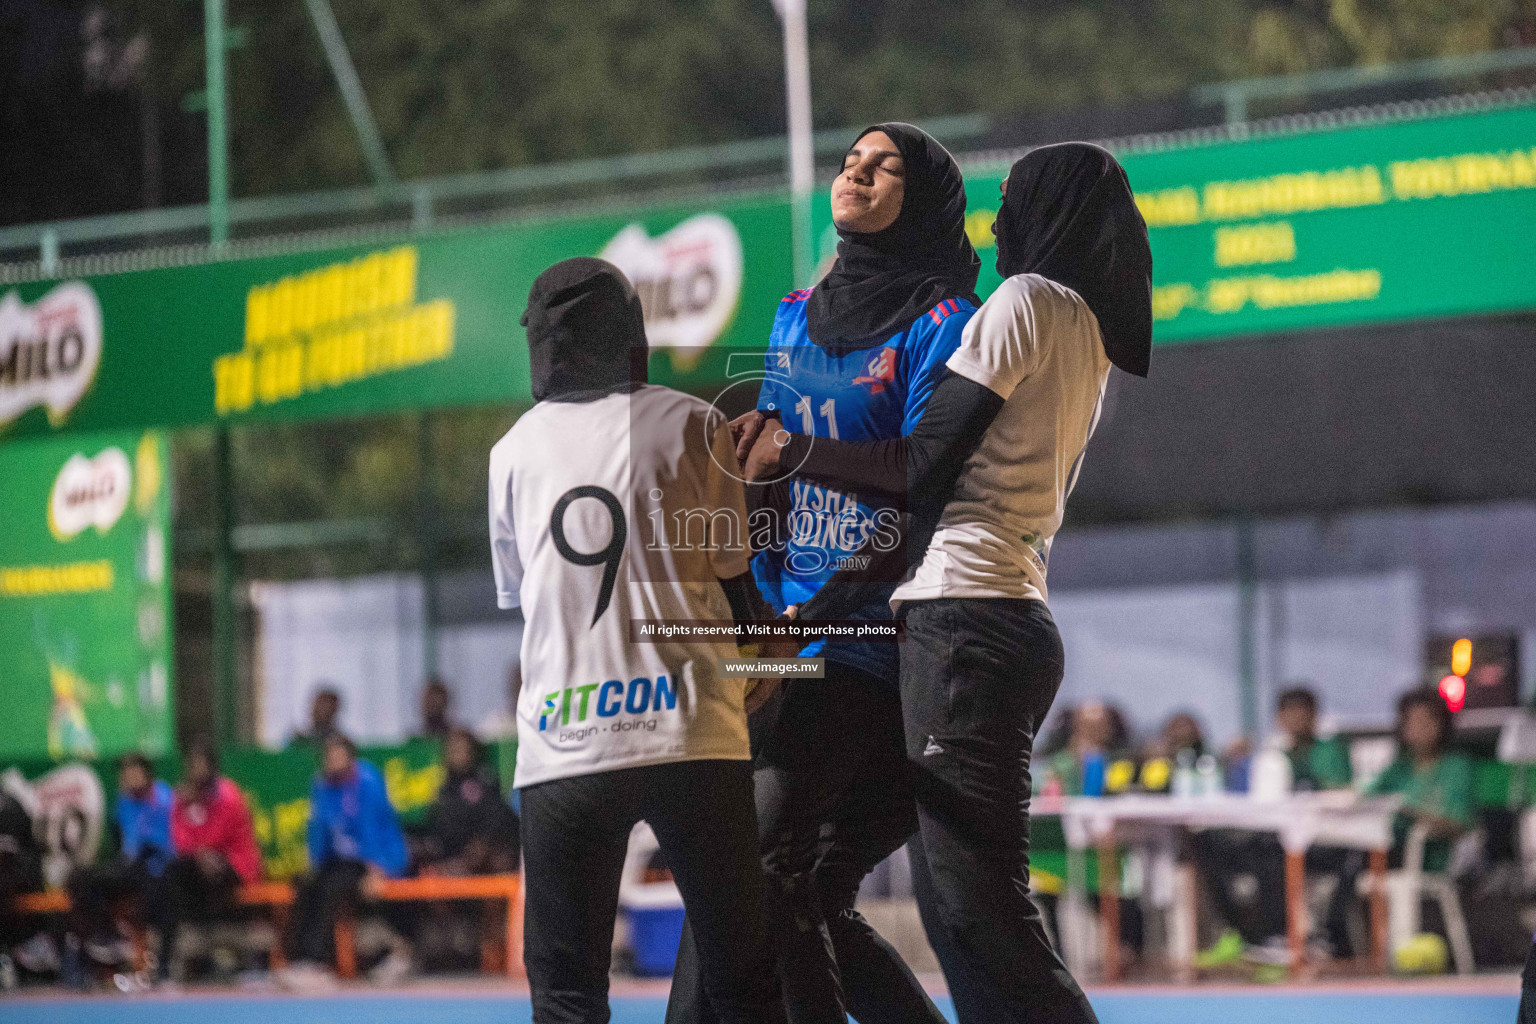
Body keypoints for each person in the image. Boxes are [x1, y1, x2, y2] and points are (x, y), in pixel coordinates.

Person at [748, 141, 1156, 1024]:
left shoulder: (1025, 302)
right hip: (990, 615)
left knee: (976, 909)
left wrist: (798, 451)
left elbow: (923, 467)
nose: (996, 220)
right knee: (832, 882)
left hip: (965, 618)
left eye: (1011, 201)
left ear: (1048, 211)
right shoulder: (1081, 324)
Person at [670, 122, 977, 1024]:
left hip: (874, 636)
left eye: (884, 167)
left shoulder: (944, 323)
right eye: (851, 162)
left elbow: (921, 485)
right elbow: (765, 467)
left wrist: (813, 613)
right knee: (786, 883)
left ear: (918, 198)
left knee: (763, 862)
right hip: (786, 628)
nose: (859, 175)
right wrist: (754, 600)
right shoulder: (794, 314)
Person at [490, 256, 788, 1024]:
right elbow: (733, 579)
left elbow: (529, 598)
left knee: (567, 993)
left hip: (565, 743)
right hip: (692, 731)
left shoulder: (512, 452)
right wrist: (766, 665)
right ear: (632, 334)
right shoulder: (694, 422)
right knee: (744, 980)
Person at [1195, 687, 1357, 967]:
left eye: (1302, 713)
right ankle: (1243, 934)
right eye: (1288, 713)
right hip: (1277, 835)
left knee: (1271, 851)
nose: (1295, 720)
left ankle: (1279, 935)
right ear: (1279, 718)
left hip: (1326, 842)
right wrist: (1233, 761)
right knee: (1207, 843)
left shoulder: (1330, 750)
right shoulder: (1272, 755)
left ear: (1314, 716)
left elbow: (1340, 793)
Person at [284, 732, 409, 975]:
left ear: (350, 758)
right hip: (338, 861)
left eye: (337, 756)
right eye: (328, 757)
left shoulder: (367, 781)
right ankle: (297, 960)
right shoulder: (322, 785)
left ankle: (317, 962)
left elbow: (371, 828)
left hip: (376, 860)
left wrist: (376, 870)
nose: (332, 761)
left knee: (332, 887)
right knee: (307, 885)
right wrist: (314, 863)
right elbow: (318, 830)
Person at [162, 736, 262, 979]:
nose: (197, 770)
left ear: (212, 766)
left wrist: (203, 851)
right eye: (192, 764)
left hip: (235, 864)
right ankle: (180, 959)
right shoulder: (182, 798)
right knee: (174, 874)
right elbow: (179, 839)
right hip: (197, 865)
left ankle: (220, 957)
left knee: (205, 877)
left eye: (201, 764)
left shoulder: (228, 795)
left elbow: (220, 835)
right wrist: (185, 808)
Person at [65, 753, 173, 972]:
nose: (127, 778)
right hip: (128, 867)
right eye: (124, 774)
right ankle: (107, 936)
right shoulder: (124, 801)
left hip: (155, 868)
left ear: (147, 774)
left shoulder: (164, 798)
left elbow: (161, 844)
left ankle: (124, 942)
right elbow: (121, 843)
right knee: (80, 878)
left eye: (133, 773)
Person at [1366, 687, 1475, 872]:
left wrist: (1410, 815)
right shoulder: (1398, 768)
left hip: (1428, 858)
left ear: (1443, 724)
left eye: (1427, 720)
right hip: (1386, 849)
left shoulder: (1457, 768)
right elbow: (1368, 800)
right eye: (1413, 721)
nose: (1420, 728)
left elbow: (1458, 824)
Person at [418, 728, 519, 874]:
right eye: (452, 749)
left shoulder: (487, 785)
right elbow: (438, 831)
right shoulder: (443, 792)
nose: (456, 753)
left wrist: (480, 848)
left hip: (482, 862)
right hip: (449, 860)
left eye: (460, 748)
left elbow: (499, 822)